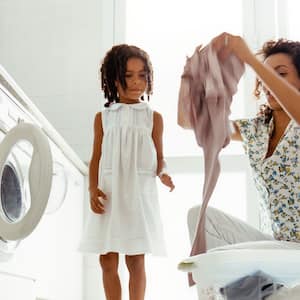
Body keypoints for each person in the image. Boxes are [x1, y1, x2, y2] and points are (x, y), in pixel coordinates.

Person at [79, 44, 175, 300]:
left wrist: (164, 173)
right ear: (113, 78)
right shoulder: (103, 117)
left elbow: (160, 158)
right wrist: (92, 189)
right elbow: (96, 157)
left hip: (138, 195)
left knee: (136, 258)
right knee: (107, 259)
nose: (136, 82)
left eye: (142, 75)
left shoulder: (153, 118)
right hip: (109, 193)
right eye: (128, 76)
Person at [193, 32, 300, 250]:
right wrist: (194, 73)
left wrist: (249, 58)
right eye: (265, 77)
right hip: (277, 249)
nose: (268, 83)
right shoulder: (256, 130)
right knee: (201, 217)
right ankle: (216, 285)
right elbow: (188, 121)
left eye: (280, 74)